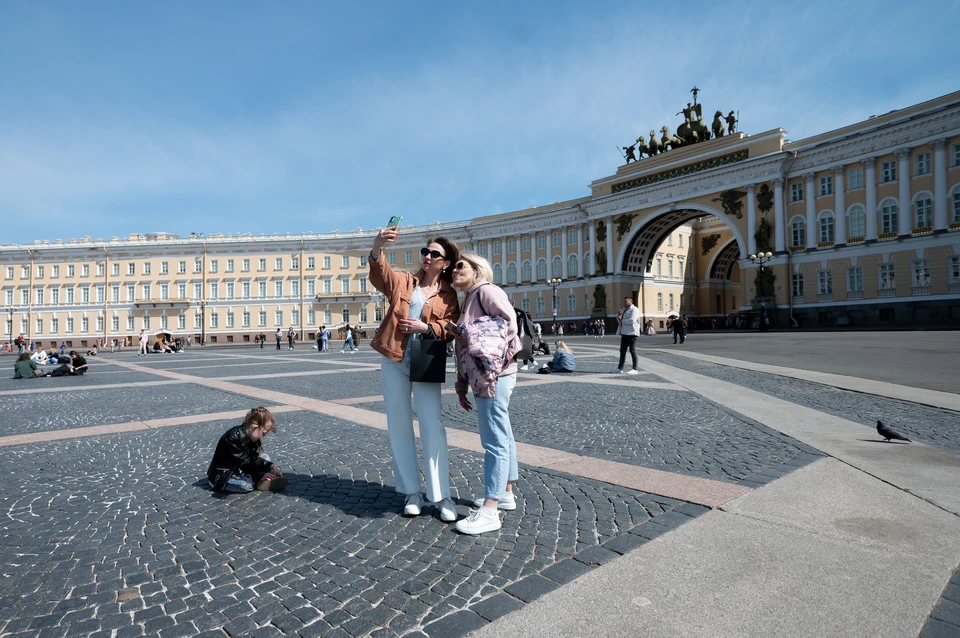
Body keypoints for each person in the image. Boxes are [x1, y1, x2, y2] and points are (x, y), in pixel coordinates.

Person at [369, 227, 460, 522]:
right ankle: (412, 492)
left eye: (434, 253)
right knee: (398, 424)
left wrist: (428, 328)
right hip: (394, 358)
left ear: (444, 262)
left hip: (426, 359)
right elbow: (382, 276)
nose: (427, 256)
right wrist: (376, 248)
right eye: (425, 252)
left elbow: (452, 326)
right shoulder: (406, 281)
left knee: (432, 425)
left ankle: (441, 495)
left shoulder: (449, 295)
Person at [450, 252, 520, 535]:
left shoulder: (487, 291)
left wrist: (475, 337)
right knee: (503, 433)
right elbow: (465, 346)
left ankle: (490, 509)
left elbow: (509, 324)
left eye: (460, 265)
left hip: (495, 375)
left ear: (477, 270)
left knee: (494, 440)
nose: (454, 271)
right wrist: (461, 382)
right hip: (485, 375)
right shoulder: (469, 298)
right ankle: (506, 493)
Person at [206, 406, 287, 493]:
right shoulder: (232, 437)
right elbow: (245, 463)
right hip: (223, 477)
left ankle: (261, 477)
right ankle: (259, 481)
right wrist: (260, 475)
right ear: (255, 427)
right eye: (263, 433)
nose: (262, 437)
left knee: (265, 457)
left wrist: (271, 465)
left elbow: (252, 458)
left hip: (240, 467)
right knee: (246, 485)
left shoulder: (250, 436)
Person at [612, 296, 641, 374]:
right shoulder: (624, 309)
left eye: (626, 301)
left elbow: (632, 320)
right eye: (624, 301)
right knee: (622, 351)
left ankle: (635, 369)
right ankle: (620, 368)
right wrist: (618, 316)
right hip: (624, 333)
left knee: (633, 351)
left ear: (630, 302)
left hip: (632, 333)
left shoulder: (635, 309)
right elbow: (620, 321)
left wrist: (622, 320)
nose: (624, 302)